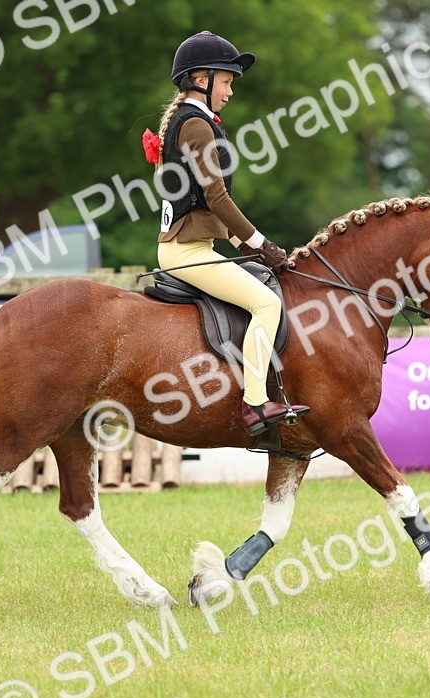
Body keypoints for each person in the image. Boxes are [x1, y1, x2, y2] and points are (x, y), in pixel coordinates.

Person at [144, 31, 309, 436]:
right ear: (201, 79)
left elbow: (204, 206)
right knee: (267, 305)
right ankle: (255, 402)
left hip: (191, 244)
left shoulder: (189, 121)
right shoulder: (196, 125)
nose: (231, 91)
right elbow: (216, 198)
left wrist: (241, 245)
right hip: (186, 252)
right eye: (227, 81)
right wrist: (261, 244)